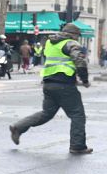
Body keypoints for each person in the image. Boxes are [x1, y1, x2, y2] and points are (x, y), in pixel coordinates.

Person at [9, 23, 92, 154]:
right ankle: (77, 146)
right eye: (77, 36)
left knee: (46, 114)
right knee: (77, 115)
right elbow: (80, 61)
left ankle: (18, 127)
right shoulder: (71, 43)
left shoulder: (50, 43)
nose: (77, 39)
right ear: (73, 34)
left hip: (48, 84)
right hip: (64, 85)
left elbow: (59, 61)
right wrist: (85, 80)